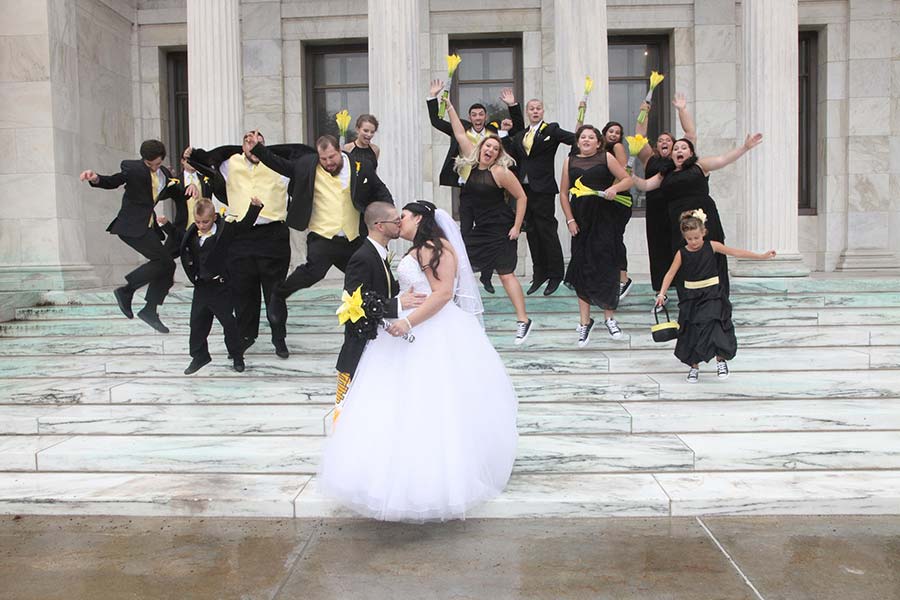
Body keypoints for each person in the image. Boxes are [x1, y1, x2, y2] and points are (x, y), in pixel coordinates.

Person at [320, 200, 518, 522]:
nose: (401, 222)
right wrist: (398, 310)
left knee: (434, 405)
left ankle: (433, 480)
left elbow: (441, 294)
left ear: (420, 218)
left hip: (430, 330)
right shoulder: (417, 249)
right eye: (397, 218)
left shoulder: (433, 248)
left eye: (405, 217)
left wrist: (408, 322)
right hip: (406, 331)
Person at [247, 133, 393, 346]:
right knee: (313, 272)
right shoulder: (307, 165)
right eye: (323, 159)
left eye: (332, 157)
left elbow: (380, 190)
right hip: (323, 236)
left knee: (374, 272)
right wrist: (258, 150)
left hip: (353, 237)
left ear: (340, 151)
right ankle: (278, 295)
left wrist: (390, 214)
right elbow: (281, 165)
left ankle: (384, 313)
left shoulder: (362, 166)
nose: (328, 163)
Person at [185, 131, 296, 359]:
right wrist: (194, 154)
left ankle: (279, 337)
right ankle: (246, 337)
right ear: (242, 147)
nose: (253, 146)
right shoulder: (229, 164)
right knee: (243, 291)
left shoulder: (281, 166)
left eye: (258, 143)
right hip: (239, 235)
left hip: (272, 234)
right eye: (248, 142)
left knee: (275, 291)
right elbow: (205, 162)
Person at [633, 133, 764, 300]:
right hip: (679, 221)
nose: (679, 150)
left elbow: (723, 159)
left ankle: (718, 300)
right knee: (684, 259)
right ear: (672, 154)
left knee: (711, 256)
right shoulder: (665, 173)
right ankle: (688, 302)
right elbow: (644, 185)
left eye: (683, 147)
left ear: (690, 153)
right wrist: (630, 175)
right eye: (676, 148)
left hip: (704, 217)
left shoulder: (700, 166)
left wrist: (745, 147)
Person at [446, 99, 533, 344]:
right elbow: (459, 131)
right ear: (481, 147)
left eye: (496, 148)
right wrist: (450, 105)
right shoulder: (470, 165)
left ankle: (523, 320)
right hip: (481, 230)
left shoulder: (500, 172)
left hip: (503, 230)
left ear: (498, 153)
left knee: (506, 275)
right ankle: (455, 317)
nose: (491, 150)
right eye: (488, 146)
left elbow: (522, 197)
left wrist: (516, 227)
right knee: (458, 268)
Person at [427, 80, 524, 293]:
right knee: (465, 234)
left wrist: (512, 106)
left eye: (481, 114)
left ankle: (487, 274)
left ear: (485, 117)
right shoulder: (465, 137)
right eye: (474, 115)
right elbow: (439, 122)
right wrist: (439, 100)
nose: (478, 118)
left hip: (491, 193)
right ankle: (467, 277)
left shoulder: (495, 133)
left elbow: (518, 129)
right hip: (468, 190)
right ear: (470, 117)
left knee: (494, 238)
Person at [656, 211, 775, 383]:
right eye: (689, 239)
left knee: (716, 326)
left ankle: (721, 361)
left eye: (696, 237)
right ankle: (694, 366)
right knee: (692, 331)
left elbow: (736, 252)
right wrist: (661, 293)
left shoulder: (711, 246)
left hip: (712, 294)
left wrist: (760, 256)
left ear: (703, 232)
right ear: (684, 237)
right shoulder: (681, 253)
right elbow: (670, 274)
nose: (694, 242)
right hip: (691, 297)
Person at [79, 139, 181, 333]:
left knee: (167, 266)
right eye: (149, 164)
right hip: (131, 226)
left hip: (147, 227)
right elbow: (114, 181)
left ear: (162, 160)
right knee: (165, 262)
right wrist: (95, 178)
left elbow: (163, 192)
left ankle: (149, 309)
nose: (153, 168)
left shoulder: (165, 173)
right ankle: (127, 292)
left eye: (157, 164)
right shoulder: (133, 169)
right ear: (144, 160)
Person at [559, 126, 634, 346]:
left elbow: (627, 180)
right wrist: (570, 220)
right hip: (581, 220)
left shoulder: (605, 157)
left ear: (598, 142)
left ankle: (609, 318)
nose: (587, 140)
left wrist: (615, 189)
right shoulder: (569, 161)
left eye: (591, 137)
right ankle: (585, 322)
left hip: (604, 217)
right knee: (582, 267)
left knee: (607, 265)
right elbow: (564, 193)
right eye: (583, 137)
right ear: (578, 141)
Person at [172, 197, 264, 375]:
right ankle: (199, 356)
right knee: (197, 323)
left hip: (220, 286)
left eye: (205, 221)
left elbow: (244, 226)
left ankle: (237, 356)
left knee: (229, 323)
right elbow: (180, 241)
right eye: (198, 222)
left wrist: (254, 208)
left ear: (214, 217)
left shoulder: (225, 230)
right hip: (201, 286)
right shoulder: (192, 233)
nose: (201, 225)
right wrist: (166, 225)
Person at [503, 98, 576, 296]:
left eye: (538, 109)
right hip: (524, 191)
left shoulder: (551, 130)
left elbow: (575, 139)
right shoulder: (520, 135)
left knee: (547, 230)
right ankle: (539, 274)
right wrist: (505, 129)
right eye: (531, 109)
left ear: (543, 111)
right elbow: (510, 153)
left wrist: (574, 162)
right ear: (528, 112)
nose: (535, 111)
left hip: (543, 188)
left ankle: (555, 274)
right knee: (532, 231)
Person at [635, 92, 697, 308]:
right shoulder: (649, 159)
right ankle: (660, 293)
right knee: (658, 250)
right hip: (655, 211)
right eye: (660, 140)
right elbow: (639, 136)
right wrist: (644, 113)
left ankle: (685, 290)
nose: (664, 142)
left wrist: (681, 109)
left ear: (673, 146)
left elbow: (690, 134)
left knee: (680, 249)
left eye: (668, 141)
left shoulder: (679, 161)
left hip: (676, 211)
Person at [600, 121, 635, 300]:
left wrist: (612, 190)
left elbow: (622, 173)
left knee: (615, 238)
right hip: (607, 199)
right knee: (607, 239)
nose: (614, 135)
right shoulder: (599, 150)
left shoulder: (618, 147)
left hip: (618, 199)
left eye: (617, 133)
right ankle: (613, 277)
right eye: (611, 131)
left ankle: (624, 278)